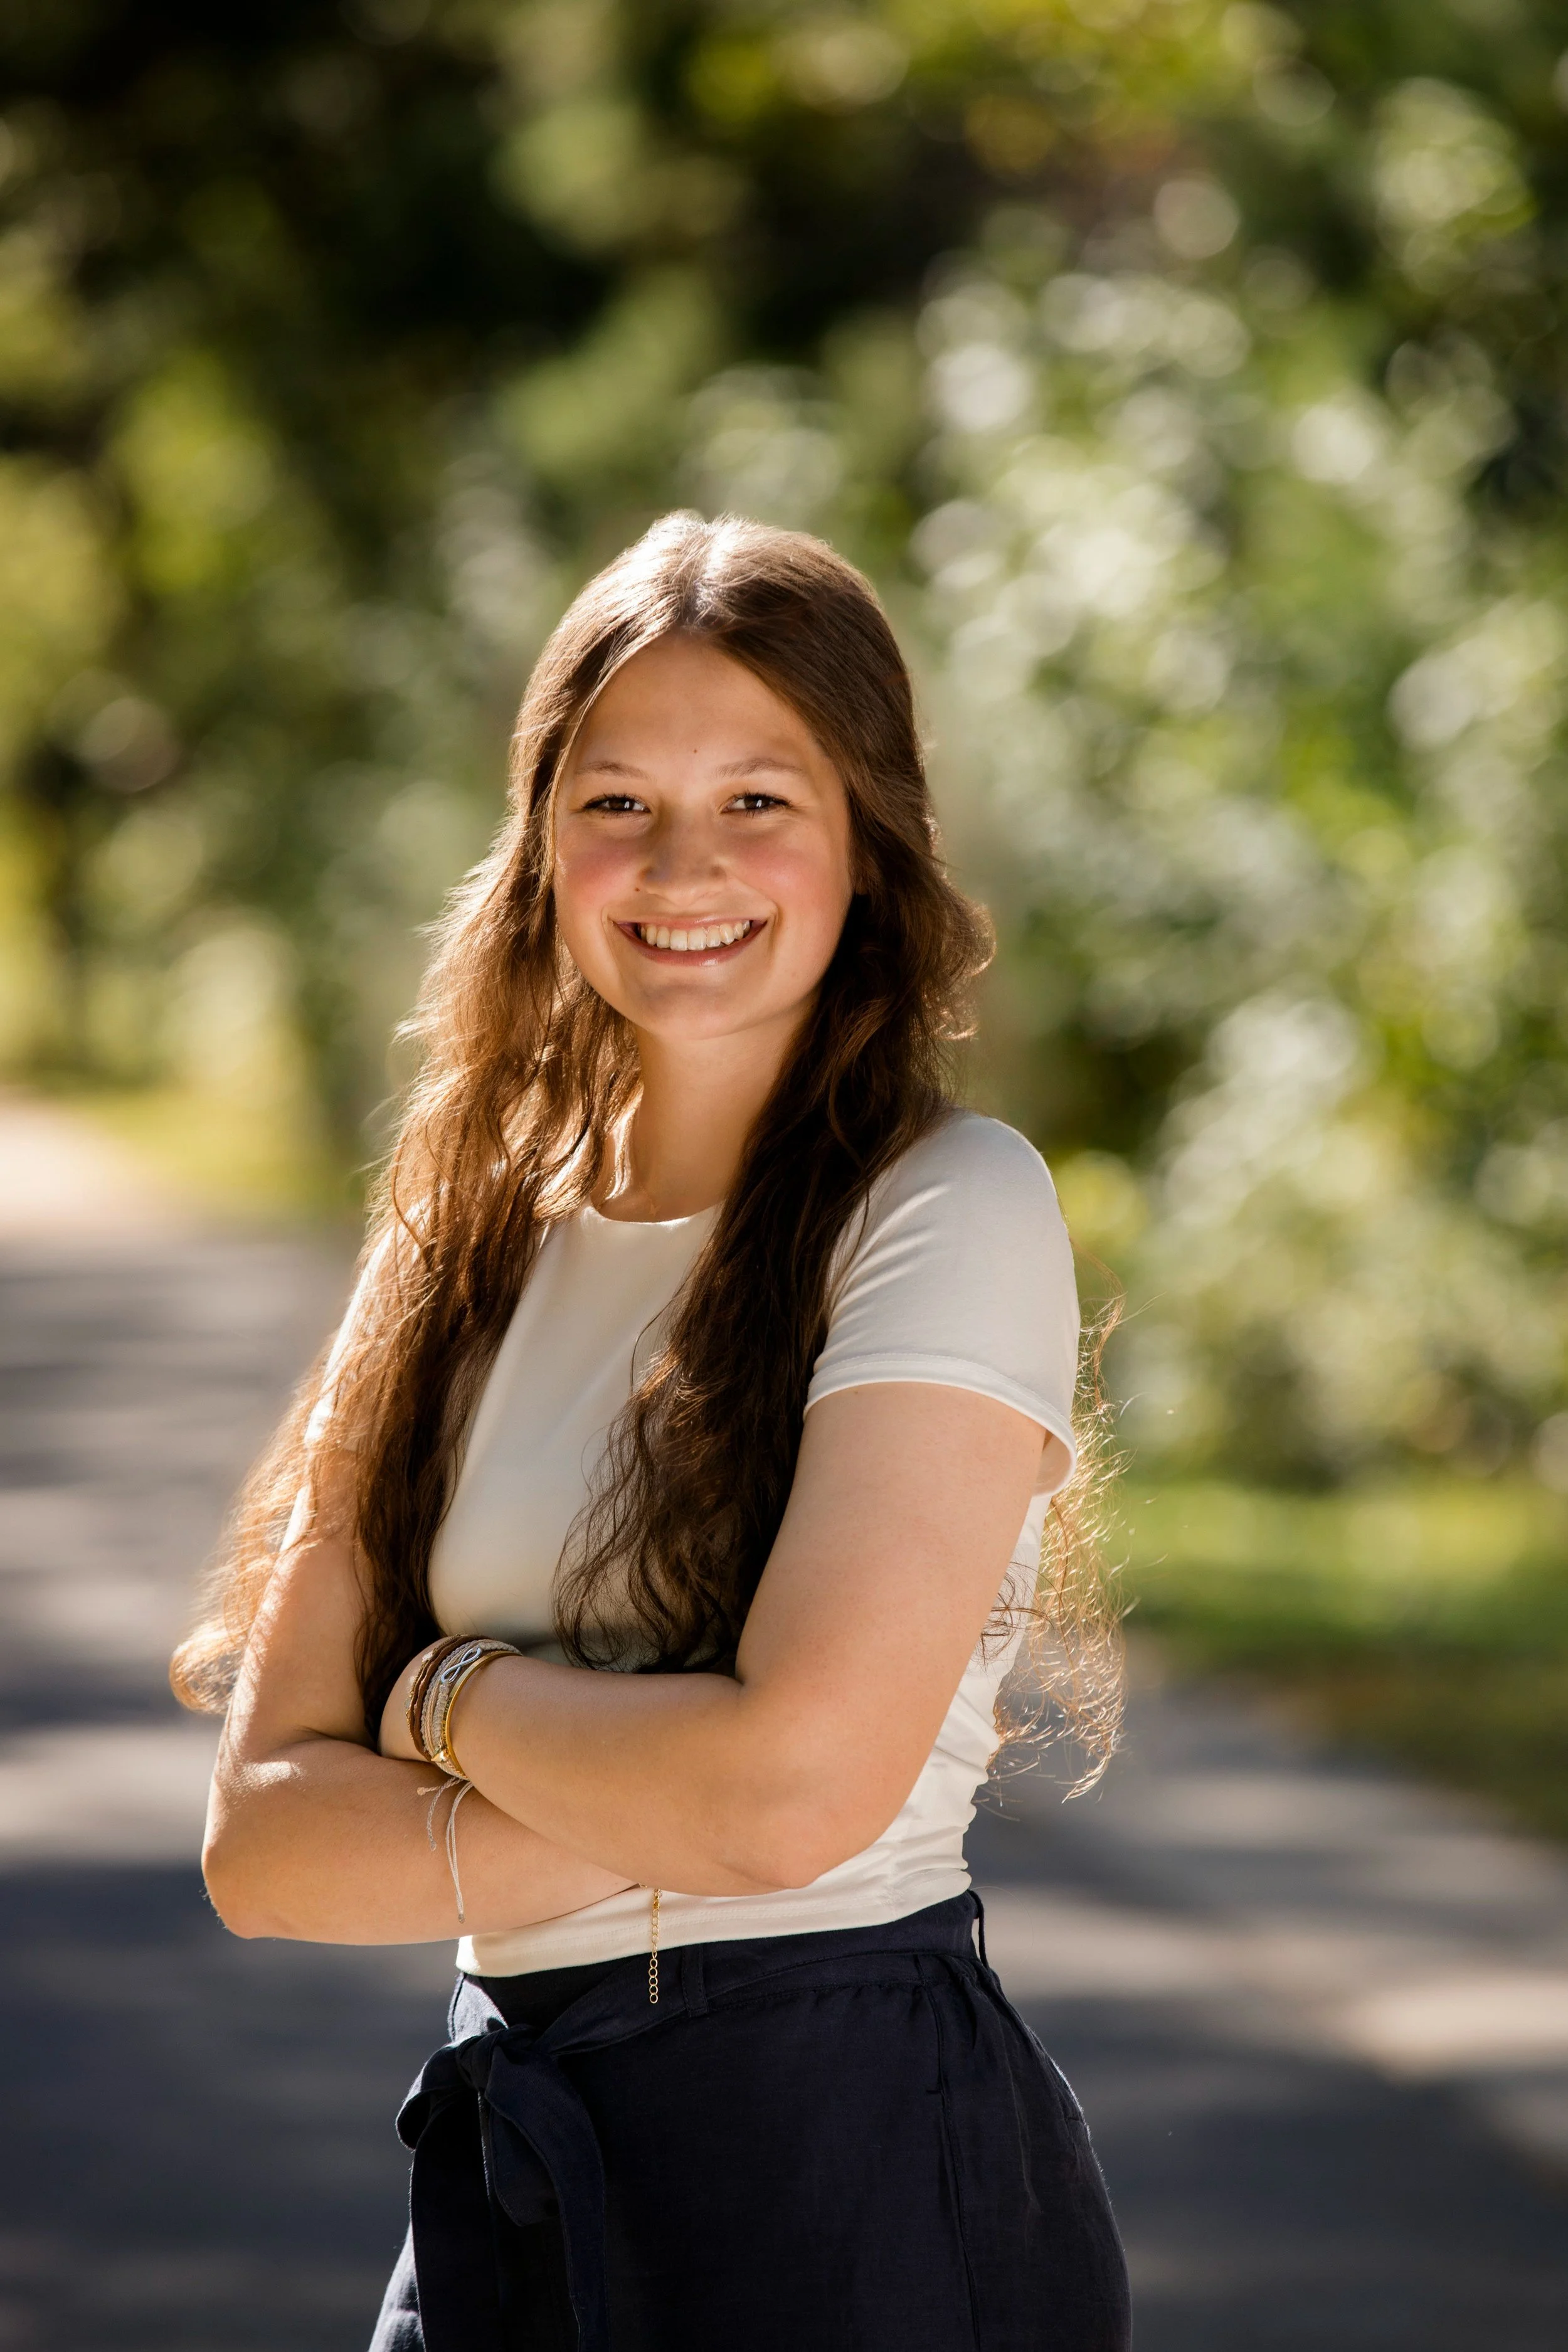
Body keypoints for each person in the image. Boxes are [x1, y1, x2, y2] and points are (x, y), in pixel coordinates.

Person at [174, 512, 1131, 2352]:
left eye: (758, 799)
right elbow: (261, 1847)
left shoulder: (947, 1201)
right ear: (542, 847)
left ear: (867, 841)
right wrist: (692, 1790)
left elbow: (791, 1802)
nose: (683, 865)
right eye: (617, 801)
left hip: (842, 2162)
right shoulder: (454, 1238)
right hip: (514, 2159)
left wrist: (443, 1697)